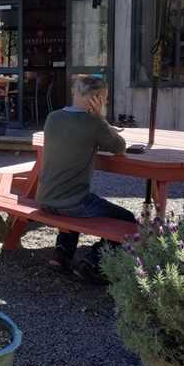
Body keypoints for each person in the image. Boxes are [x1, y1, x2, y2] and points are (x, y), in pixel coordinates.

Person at [36, 76, 134, 283]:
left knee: (72, 194)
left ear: (75, 93)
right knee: (127, 219)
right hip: (73, 203)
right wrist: (101, 118)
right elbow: (120, 147)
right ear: (97, 99)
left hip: (45, 198)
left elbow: (75, 134)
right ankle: (93, 262)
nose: (105, 103)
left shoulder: (52, 118)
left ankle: (62, 254)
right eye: (105, 99)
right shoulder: (94, 123)